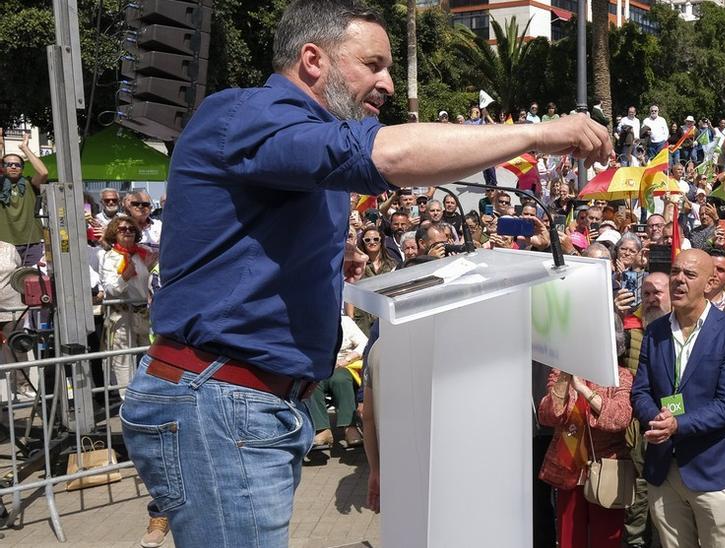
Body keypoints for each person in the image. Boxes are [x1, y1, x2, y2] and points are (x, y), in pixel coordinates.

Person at [120, 1, 613, 545]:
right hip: (220, 400)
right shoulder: (244, 114)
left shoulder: (293, 146)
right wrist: (536, 134)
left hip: (247, 403)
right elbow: (383, 156)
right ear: (313, 60)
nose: (387, 84)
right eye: (373, 65)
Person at [630, 249, 725, 548]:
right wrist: (656, 419)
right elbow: (641, 390)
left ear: (711, 282)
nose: (678, 280)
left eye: (689, 274)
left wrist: (677, 425)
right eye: (675, 272)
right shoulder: (656, 330)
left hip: (711, 469)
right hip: (663, 467)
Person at [538, 363, 634, 548]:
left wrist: (583, 390)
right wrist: (565, 379)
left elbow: (621, 417)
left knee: (605, 540)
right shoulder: (560, 372)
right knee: (570, 540)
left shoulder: (620, 374)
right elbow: (549, 415)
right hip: (568, 468)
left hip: (607, 472)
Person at [100, 216, 156, 396]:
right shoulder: (109, 257)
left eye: (131, 229)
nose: (127, 232)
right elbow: (110, 289)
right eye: (122, 229)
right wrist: (124, 276)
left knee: (149, 355)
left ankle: (148, 396)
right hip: (122, 313)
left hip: (143, 312)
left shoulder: (144, 252)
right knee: (123, 359)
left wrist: (150, 266)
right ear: (113, 234)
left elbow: (155, 277)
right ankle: (127, 400)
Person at [308, 312, 367, 450]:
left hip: (344, 364)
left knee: (340, 379)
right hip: (318, 366)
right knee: (311, 382)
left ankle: (350, 427)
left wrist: (345, 360)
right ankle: (322, 430)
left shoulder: (345, 322)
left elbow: (364, 343)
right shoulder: (307, 321)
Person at [0, 132, 48, 266]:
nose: (13, 166)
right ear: (2, 168)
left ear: (22, 168)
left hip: (32, 243)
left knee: (32, 281)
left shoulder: (29, 184)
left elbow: (43, 172)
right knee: (6, 284)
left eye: (17, 165)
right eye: (9, 164)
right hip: (4, 244)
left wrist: (25, 148)